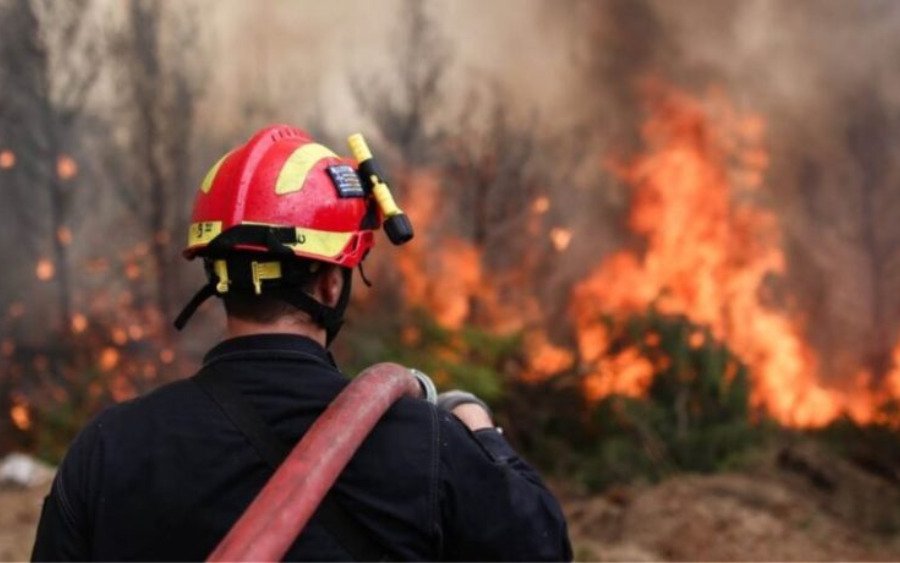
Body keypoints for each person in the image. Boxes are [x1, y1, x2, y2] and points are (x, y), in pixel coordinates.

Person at [31, 125, 572, 561]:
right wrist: (479, 429)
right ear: (332, 284)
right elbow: (543, 548)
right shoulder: (427, 446)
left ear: (217, 275)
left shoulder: (108, 448)